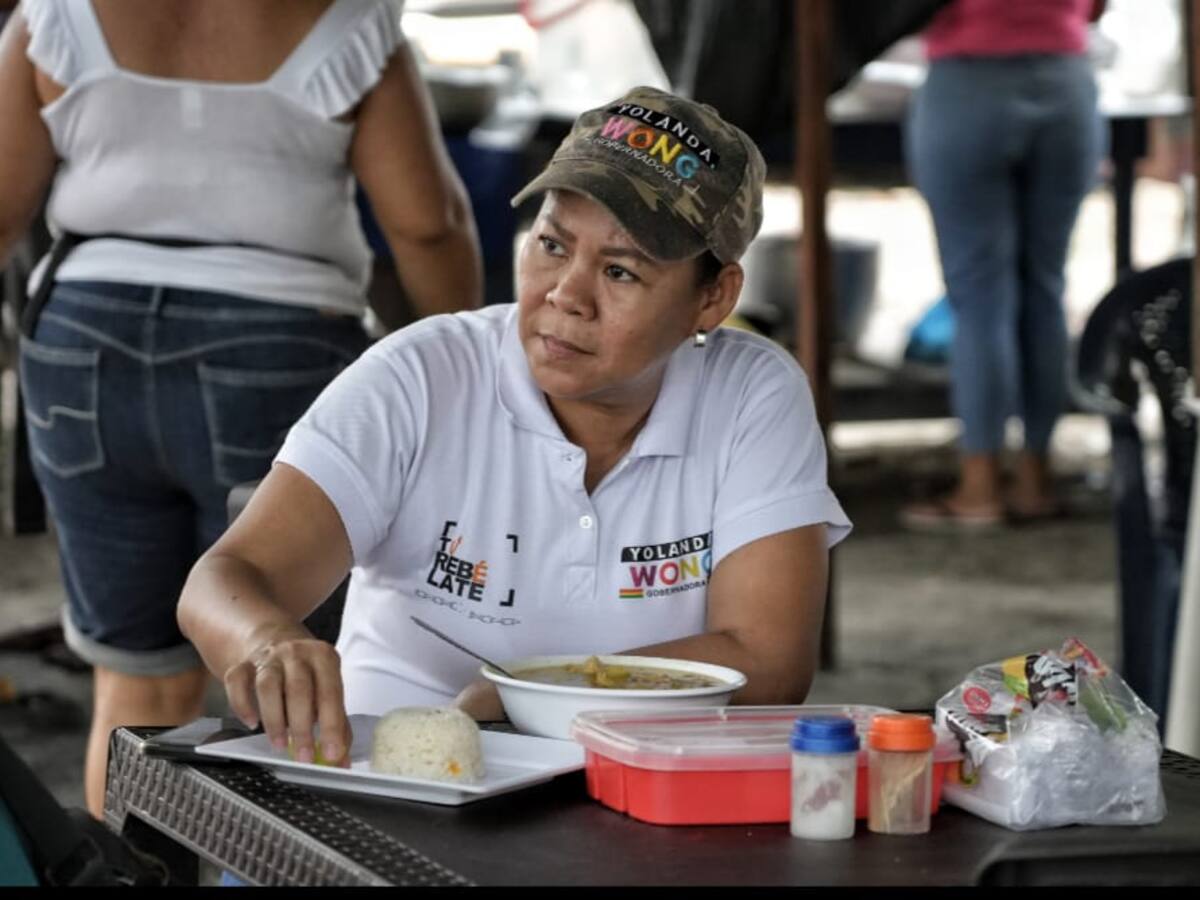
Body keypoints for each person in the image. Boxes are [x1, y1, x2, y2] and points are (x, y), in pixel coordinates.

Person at [177, 85, 852, 766]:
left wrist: (525, 700)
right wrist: (267, 641)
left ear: (713, 298)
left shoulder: (751, 395)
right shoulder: (422, 376)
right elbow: (225, 578)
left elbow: (768, 660)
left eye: (620, 271)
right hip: (395, 779)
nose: (566, 294)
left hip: (636, 786)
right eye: (552, 244)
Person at [0, 0, 482, 818]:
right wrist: (467, 382)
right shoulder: (348, 22)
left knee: (135, 677)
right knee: (283, 677)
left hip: (86, 355)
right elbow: (426, 226)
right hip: (278, 344)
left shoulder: (53, 16)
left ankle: (125, 871)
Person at [900, 0, 1105, 530]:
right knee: (1045, 289)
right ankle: (1035, 480)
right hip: (1065, 83)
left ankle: (981, 486)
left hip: (968, 85)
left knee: (980, 299)